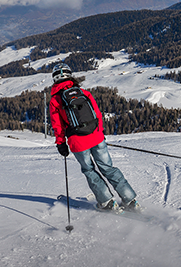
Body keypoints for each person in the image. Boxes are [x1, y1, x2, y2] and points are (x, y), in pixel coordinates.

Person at [48, 62, 139, 212]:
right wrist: (100, 132)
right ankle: (130, 200)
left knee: (89, 170)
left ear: (54, 79)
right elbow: (97, 114)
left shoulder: (55, 100)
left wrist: (60, 144)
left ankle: (107, 202)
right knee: (109, 168)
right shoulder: (83, 92)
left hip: (78, 141)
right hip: (97, 137)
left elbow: (58, 126)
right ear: (70, 75)